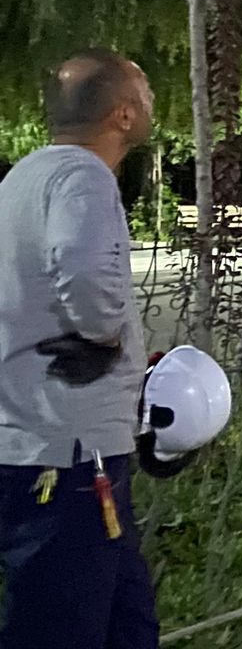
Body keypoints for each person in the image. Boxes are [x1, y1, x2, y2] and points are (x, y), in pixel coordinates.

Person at [0, 50, 158, 649]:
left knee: (126, 624)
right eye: (143, 94)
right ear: (121, 114)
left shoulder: (27, 175)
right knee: (61, 630)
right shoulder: (83, 178)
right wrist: (106, 335)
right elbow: (85, 273)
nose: (150, 105)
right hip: (64, 460)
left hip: (63, 450)